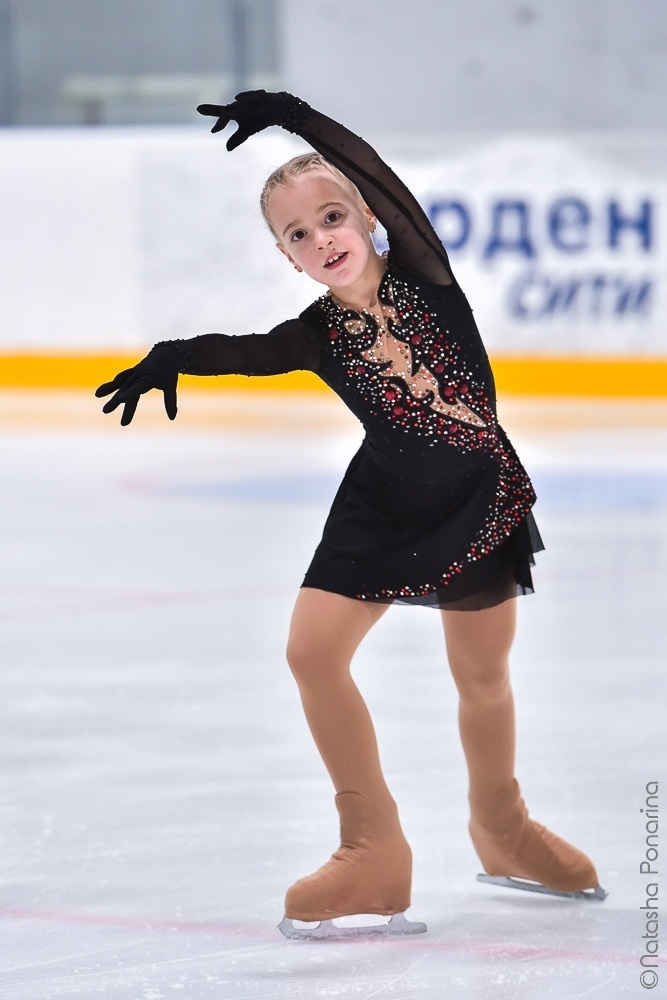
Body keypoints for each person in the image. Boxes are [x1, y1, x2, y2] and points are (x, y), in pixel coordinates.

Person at [96, 91, 606, 939]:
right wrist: (172, 356)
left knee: (482, 677)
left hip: (475, 498)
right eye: (297, 235)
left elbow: (369, 166)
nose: (320, 238)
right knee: (311, 652)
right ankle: (371, 848)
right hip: (378, 505)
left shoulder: (424, 274)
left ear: (366, 218)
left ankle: (503, 827)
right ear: (287, 258)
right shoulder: (315, 333)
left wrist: (295, 115)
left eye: (331, 216)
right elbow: (246, 354)